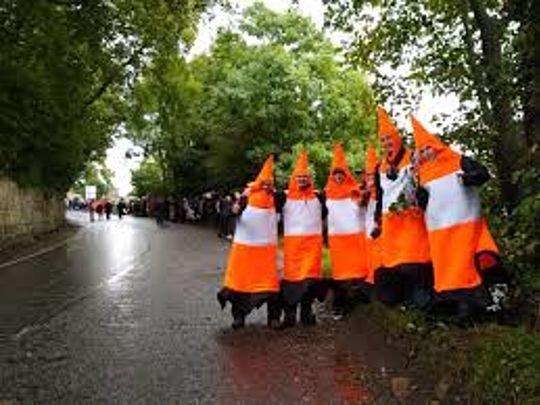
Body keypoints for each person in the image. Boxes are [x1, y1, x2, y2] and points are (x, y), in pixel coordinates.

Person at [411, 116, 504, 319]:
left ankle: (485, 307)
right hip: (441, 233)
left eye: (429, 147)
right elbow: (423, 204)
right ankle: (457, 307)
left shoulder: (459, 160)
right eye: (422, 150)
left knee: (471, 265)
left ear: (436, 145)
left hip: (467, 227)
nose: (427, 153)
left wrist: (468, 178)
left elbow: (483, 173)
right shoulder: (422, 175)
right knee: (449, 270)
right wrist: (416, 193)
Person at [374, 106, 433, 308]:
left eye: (389, 138)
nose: (386, 143)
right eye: (382, 140)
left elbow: (426, 183)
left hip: (412, 219)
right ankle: (406, 300)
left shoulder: (413, 157)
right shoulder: (379, 167)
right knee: (395, 262)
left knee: (415, 259)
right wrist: (377, 220)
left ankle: (421, 299)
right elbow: (381, 195)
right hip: (390, 222)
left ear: (397, 139)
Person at [217, 156, 281, 329]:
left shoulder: (277, 199)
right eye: (264, 183)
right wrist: (234, 208)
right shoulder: (245, 198)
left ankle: (273, 318)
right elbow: (224, 215)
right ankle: (239, 317)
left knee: (269, 284)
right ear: (258, 183)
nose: (267, 186)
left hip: (266, 252)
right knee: (241, 284)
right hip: (245, 250)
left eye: (270, 183)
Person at [280, 150, 327, 327]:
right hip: (293, 248)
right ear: (294, 179)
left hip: (312, 247)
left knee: (310, 281)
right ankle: (290, 315)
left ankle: (306, 313)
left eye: (304, 177)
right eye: (298, 177)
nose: (301, 180)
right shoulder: (284, 197)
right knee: (292, 282)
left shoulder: (319, 197)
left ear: (309, 179)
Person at [325, 143, 369, 318]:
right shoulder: (326, 193)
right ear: (332, 176)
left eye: (341, 174)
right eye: (335, 174)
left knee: (359, 272)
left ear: (346, 174)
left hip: (356, 237)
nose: (338, 177)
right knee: (339, 275)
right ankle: (339, 306)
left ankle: (357, 301)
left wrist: (363, 196)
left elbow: (362, 204)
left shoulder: (355, 190)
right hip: (338, 240)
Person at [364, 146, 383, 289]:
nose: (369, 178)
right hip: (367, 229)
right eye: (367, 175)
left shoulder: (383, 191)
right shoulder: (363, 192)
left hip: (379, 230)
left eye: (372, 175)